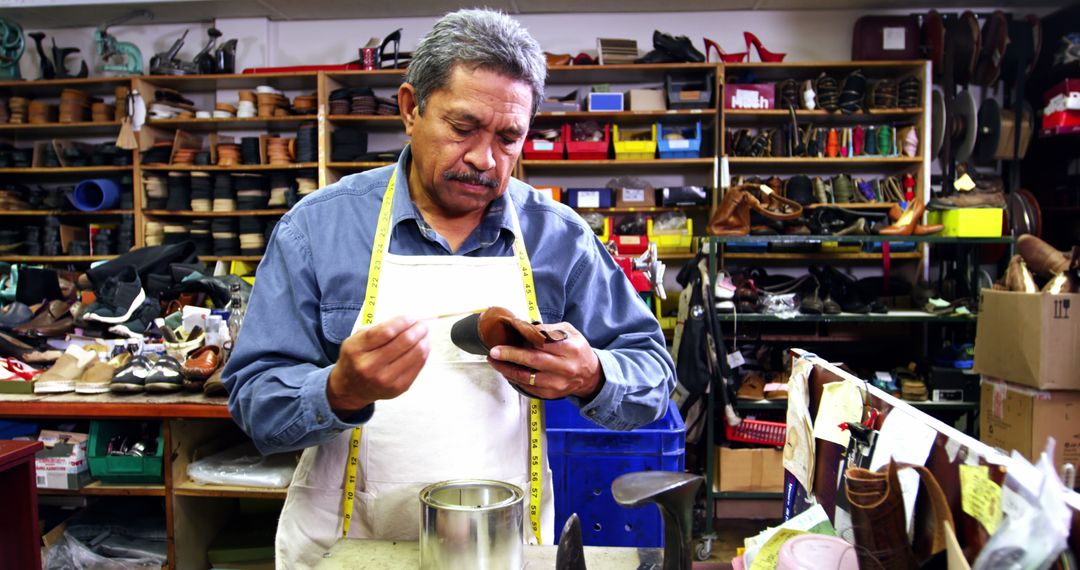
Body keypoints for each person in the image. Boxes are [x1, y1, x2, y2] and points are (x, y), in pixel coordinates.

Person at [222, 8, 675, 568]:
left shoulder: (560, 239)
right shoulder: (318, 230)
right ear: (411, 109)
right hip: (346, 550)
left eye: (509, 138)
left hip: (500, 546)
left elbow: (653, 374)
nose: (485, 159)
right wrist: (337, 391)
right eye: (463, 128)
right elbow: (252, 401)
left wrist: (593, 375)